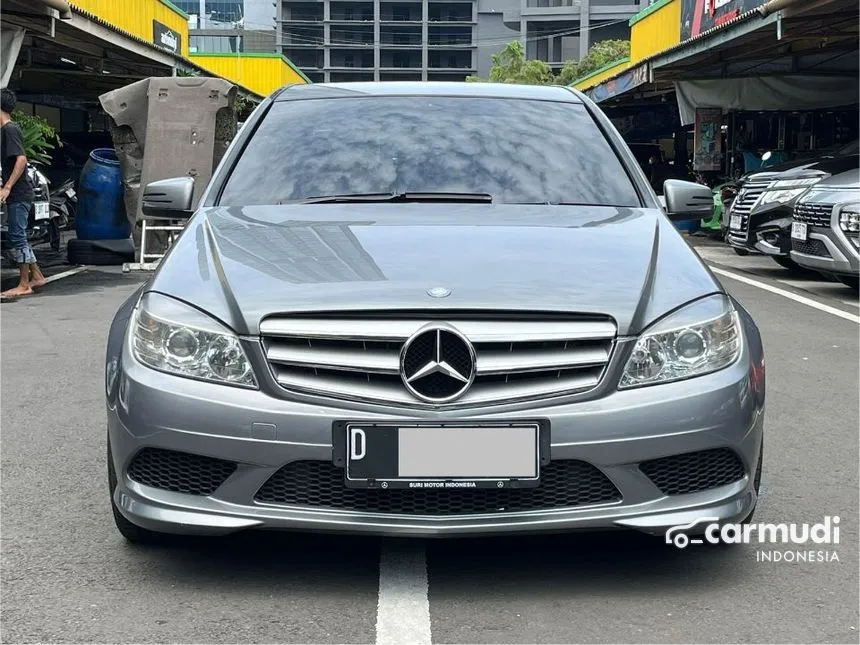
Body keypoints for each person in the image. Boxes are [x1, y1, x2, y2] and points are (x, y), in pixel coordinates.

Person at [1, 88, 46, 299]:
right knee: (20, 236)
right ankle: (37, 276)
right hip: (18, 193)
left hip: (19, 193)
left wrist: (7, 186)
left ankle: (24, 284)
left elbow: (21, 159)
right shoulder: (7, 130)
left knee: (17, 237)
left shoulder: (10, 130)